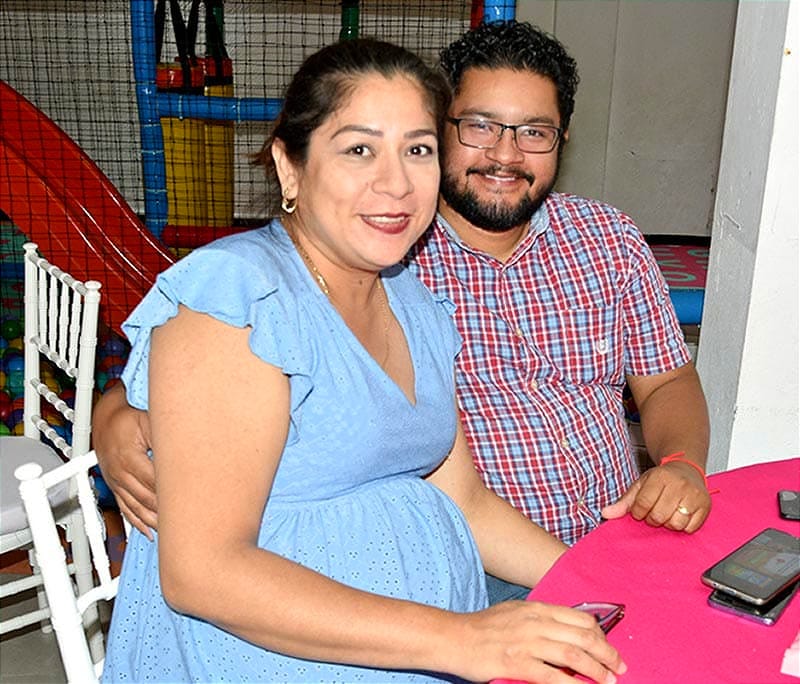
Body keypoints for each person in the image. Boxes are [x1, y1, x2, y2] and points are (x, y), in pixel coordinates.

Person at [95, 21, 711, 603]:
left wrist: (675, 473)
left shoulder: (595, 241)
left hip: (603, 535)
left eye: (533, 131)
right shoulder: (387, 251)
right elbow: (212, 349)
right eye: (479, 127)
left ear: (561, 141)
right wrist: (114, 411)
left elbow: (668, 380)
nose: (505, 154)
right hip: (464, 570)